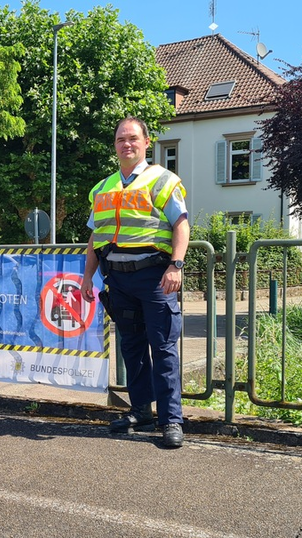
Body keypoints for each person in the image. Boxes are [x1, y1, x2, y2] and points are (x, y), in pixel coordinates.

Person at [81, 117, 189, 448]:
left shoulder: (163, 180)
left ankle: (171, 419)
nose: (126, 144)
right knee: (132, 349)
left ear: (145, 142)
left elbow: (182, 225)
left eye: (132, 139)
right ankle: (141, 411)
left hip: (155, 278)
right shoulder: (102, 188)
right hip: (118, 280)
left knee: (163, 347)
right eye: (120, 139)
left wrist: (176, 265)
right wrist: (88, 275)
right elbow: (95, 236)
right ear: (114, 146)